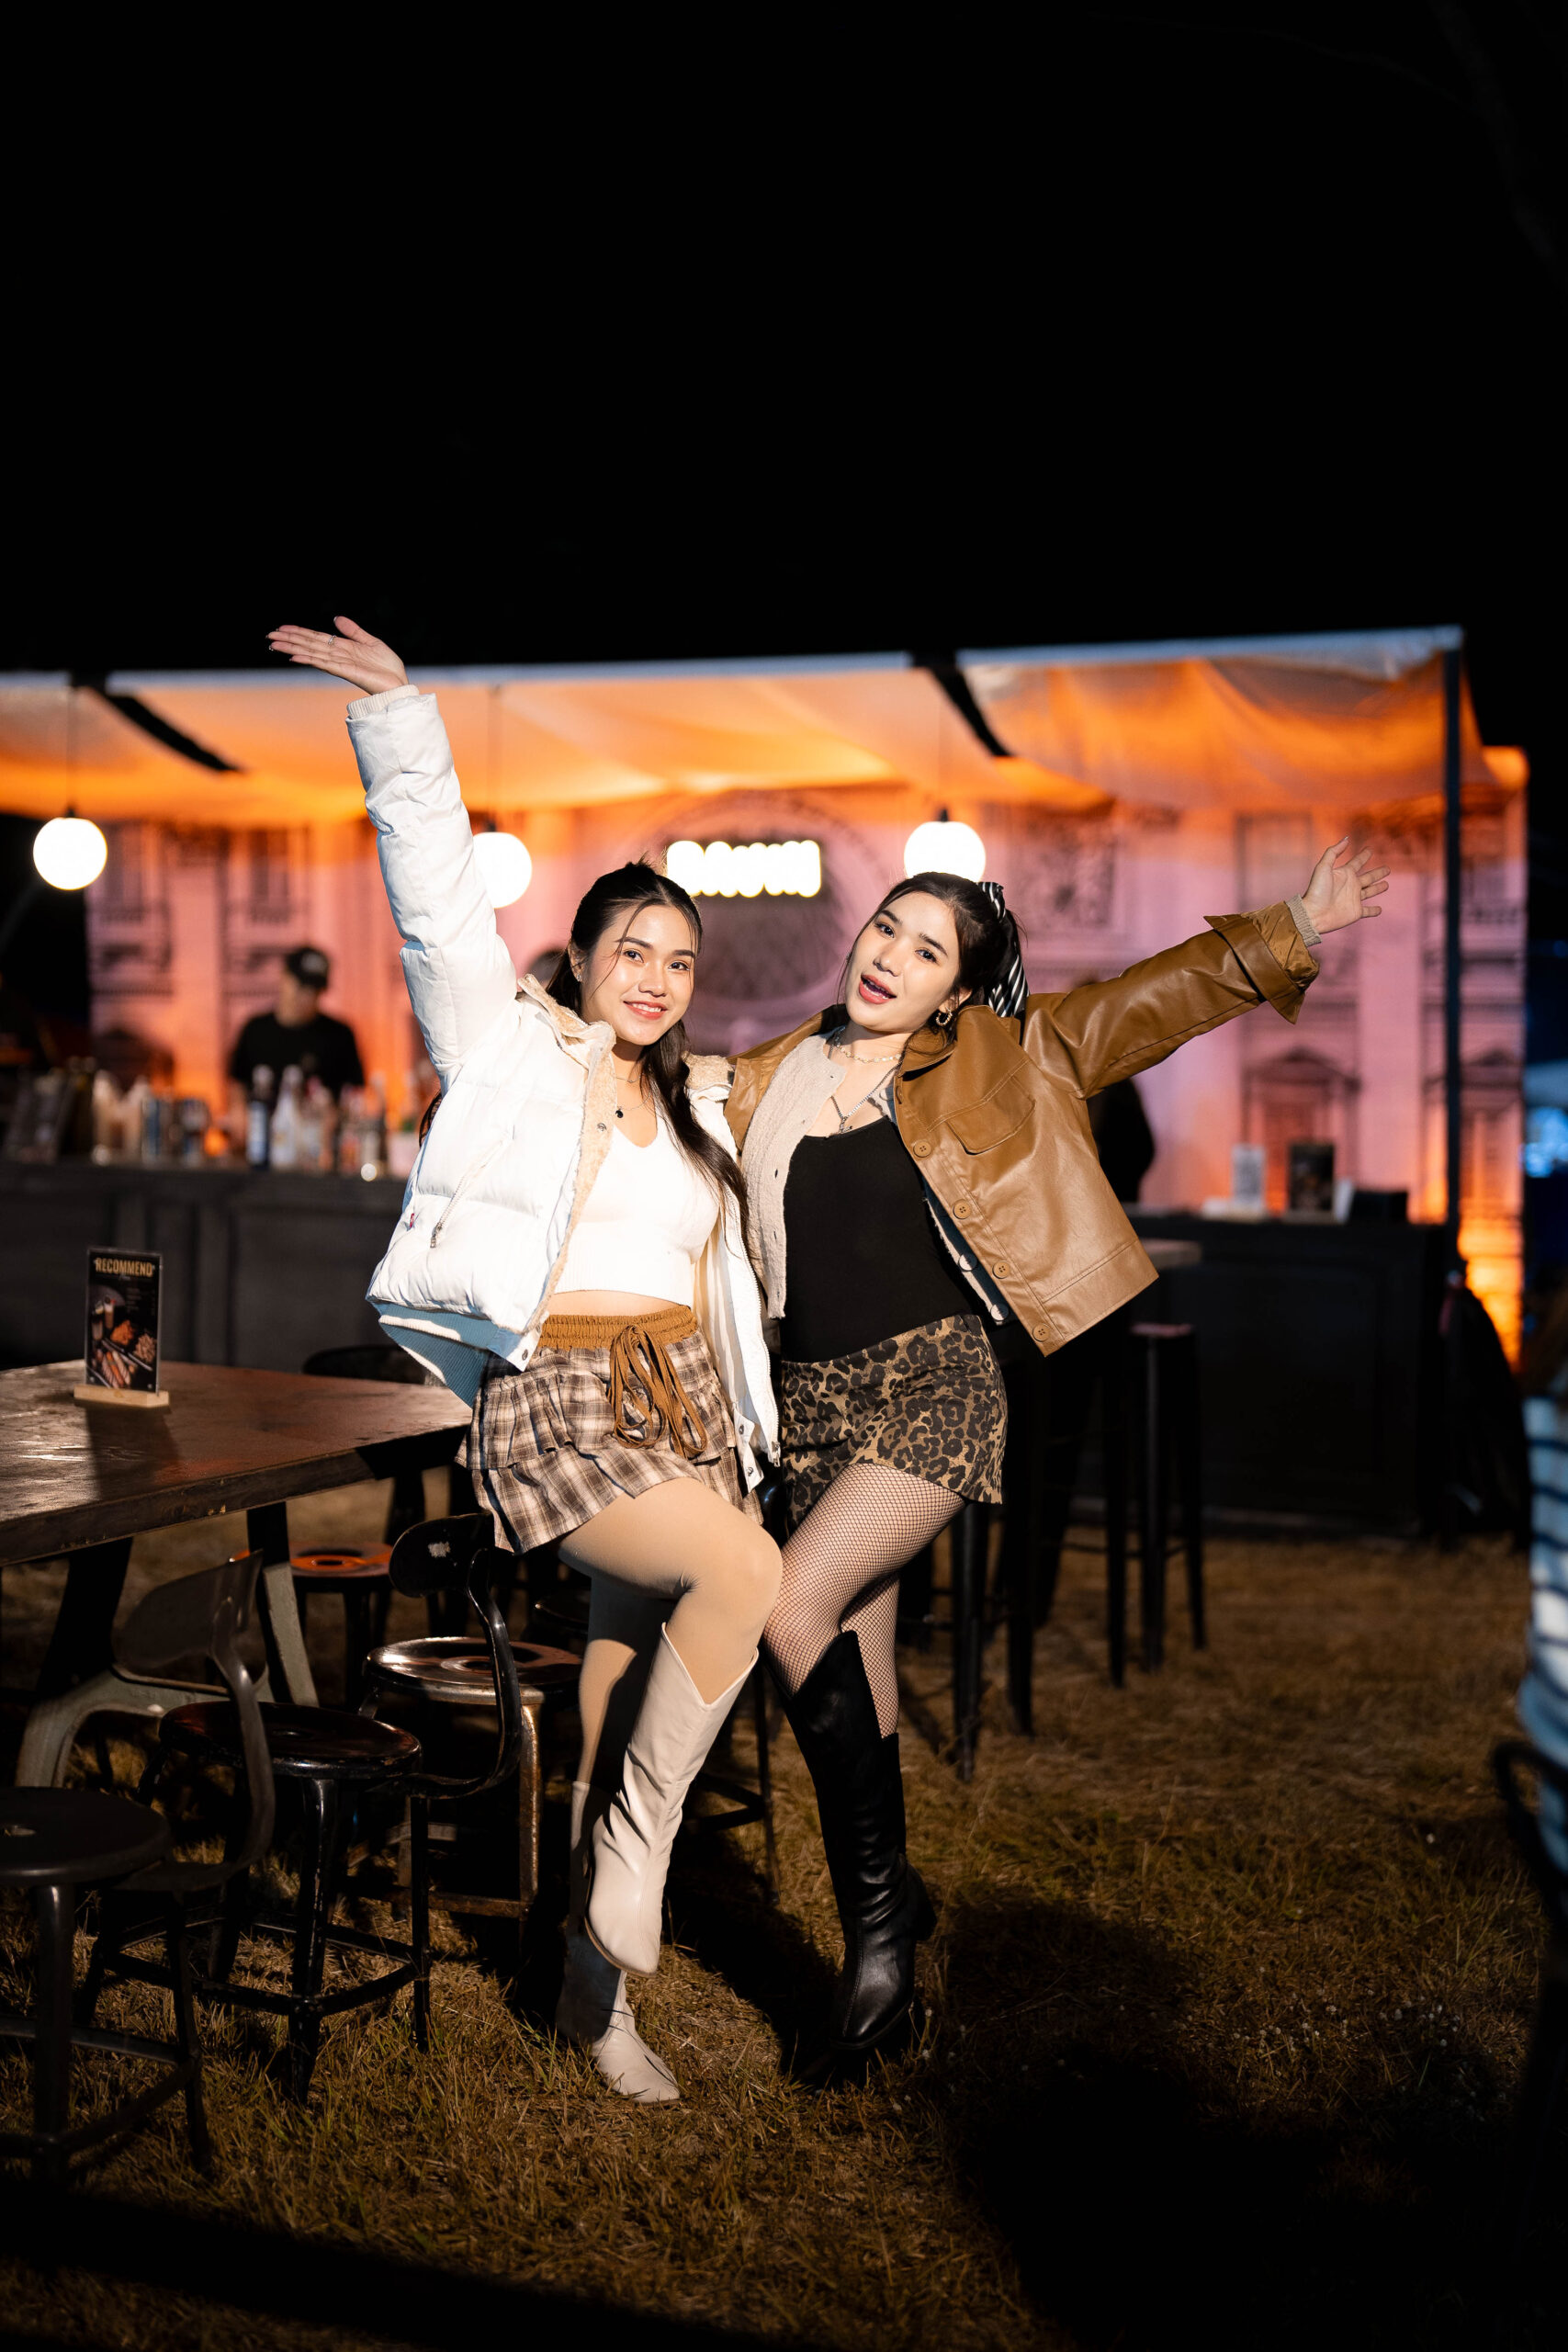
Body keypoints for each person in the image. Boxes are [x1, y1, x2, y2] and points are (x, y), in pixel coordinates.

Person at [727, 842, 1390, 2077]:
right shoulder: (773, 1071)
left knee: (787, 1603)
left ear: (958, 990)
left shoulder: (1004, 1054)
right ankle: (891, 1916)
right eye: (887, 927)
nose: (891, 956)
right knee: (856, 1657)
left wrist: (1294, 923)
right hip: (808, 1402)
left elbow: (1148, 1001)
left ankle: (880, 1949)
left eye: (928, 950)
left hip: (931, 1385)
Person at [267, 616, 781, 2108]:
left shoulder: (702, 1104)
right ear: (582, 956)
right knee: (743, 1574)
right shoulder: (509, 1052)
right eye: (633, 951)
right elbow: (436, 905)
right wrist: (402, 721)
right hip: (559, 1399)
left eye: (679, 960)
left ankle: (588, 2003)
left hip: (681, 1406)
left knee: (614, 1701)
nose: (656, 978)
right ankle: (635, 1860)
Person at [227, 944, 365, 1128]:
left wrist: (339, 1114)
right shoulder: (255, 1030)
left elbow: (355, 1093)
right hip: (262, 1136)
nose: (307, 997)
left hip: (320, 1138)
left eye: (314, 990)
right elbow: (237, 1084)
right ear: (284, 978)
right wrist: (238, 1114)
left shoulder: (340, 1034)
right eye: (301, 986)